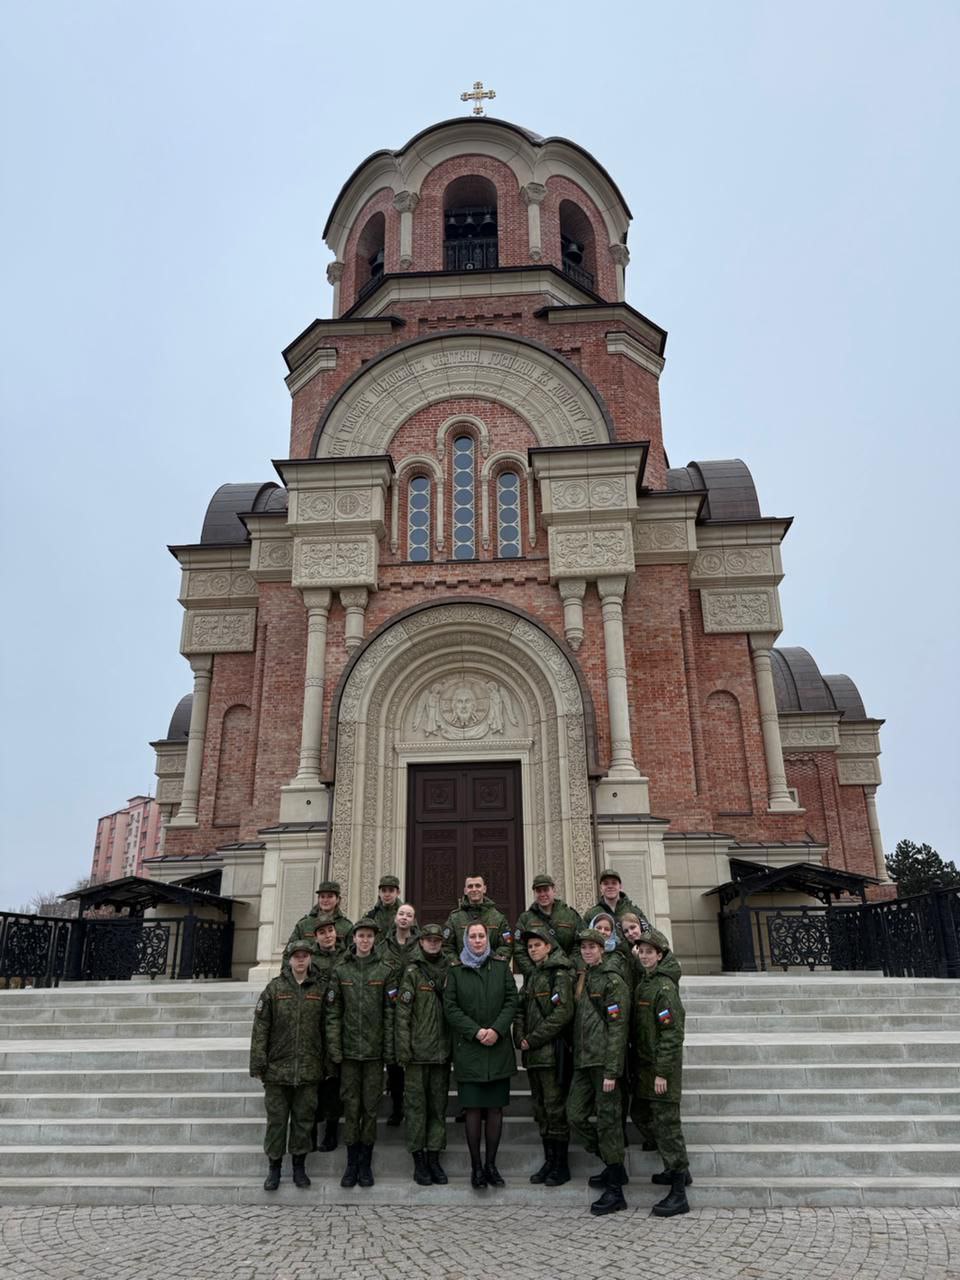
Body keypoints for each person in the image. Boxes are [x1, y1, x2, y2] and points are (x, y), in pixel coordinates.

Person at [443, 920, 518, 1189]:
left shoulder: (501, 967)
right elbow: (450, 1007)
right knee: (473, 1110)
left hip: (498, 1049)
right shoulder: (456, 971)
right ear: (466, 940)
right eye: (472, 936)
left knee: (495, 1110)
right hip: (469, 1049)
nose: (477, 940)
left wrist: (497, 1029)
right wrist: (475, 1031)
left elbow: (512, 1000)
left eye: (481, 936)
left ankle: (491, 1166)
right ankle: (476, 1167)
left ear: (488, 939)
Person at [325, 918, 399, 1189]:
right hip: (348, 1054)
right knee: (351, 1107)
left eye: (369, 936)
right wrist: (335, 1048)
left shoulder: (385, 970)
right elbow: (333, 1013)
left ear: (374, 939)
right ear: (354, 938)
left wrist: (388, 1050)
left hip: (373, 1054)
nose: (365, 940)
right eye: (361, 935)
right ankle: (351, 1162)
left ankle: (365, 1162)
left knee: (370, 1108)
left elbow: (390, 1014)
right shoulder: (341, 970)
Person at [249, 939, 325, 1191]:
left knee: (303, 1121)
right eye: (296, 956)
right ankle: (274, 1168)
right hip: (277, 1070)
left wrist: (327, 1063)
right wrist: (258, 1063)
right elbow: (261, 1028)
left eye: (305, 955)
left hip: (308, 1068)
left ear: (310, 959)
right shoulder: (274, 989)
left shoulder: (319, 989)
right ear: (289, 960)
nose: (300, 960)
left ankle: (299, 1168)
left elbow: (327, 1028)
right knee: (277, 1122)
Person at [567, 927, 631, 1216]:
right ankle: (610, 1162)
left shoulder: (611, 980)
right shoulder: (585, 976)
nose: (587, 951)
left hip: (604, 1063)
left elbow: (618, 1028)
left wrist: (612, 1070)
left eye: (592, 947)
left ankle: (616, 1189)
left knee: (608, 1123)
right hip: (583, 1061)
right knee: (574, 1115)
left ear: (602, 949)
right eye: (584, 947)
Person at [632, 930, 690, 1217]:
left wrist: (662, 1073)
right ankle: (676, 1170)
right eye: (641, 951)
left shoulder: (664, 988)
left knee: (667, 1127)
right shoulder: (646, 982)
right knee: (641, 1113)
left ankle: (679, 1191)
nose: (644, 956)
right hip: (645, 1066)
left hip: (660, 1069)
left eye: (649, 952)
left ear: (660, 955)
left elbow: (672, 1034)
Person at [513, 924, 575, 1187]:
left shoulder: (558, 974)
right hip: (534, 1057)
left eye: (537, 945)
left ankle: (561, 1164)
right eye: (529, 946)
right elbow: (520, 1009)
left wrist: (533, 1038)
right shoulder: (531, 976)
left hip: (551, 1055)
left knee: (555, 1109)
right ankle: (549, 1161)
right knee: (540, 1110)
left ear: (549, 947)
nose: (533, 950)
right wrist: (519, 1036)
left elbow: (562, 1013)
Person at [394, 922, 451, 1185]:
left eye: (437, 940)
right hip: (417, 1053)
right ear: (421, 942)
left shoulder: (450, 969)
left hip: (441, 1053)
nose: (433, 943)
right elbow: (402, 1013)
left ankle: (434, 1158)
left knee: (438, 1108)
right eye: (429, 940)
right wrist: (403, 1049)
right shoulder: (413, 971)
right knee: (416, 1109)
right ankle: (418, 1159)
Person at [378, 902, 420, 1126]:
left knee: (412, 1060)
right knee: (394, 1061)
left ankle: (413, 1107)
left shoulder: (420, 945)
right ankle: (397, 1106)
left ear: (413, 920)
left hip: (416, 1011)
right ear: (395, 918)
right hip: (390, 1011)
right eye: (401, 914)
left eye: (409, 915)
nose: (404, 917)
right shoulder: (383, 946)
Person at [309, 911, 346, 1153]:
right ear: (316, 936)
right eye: (322, 932)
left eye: (330, 931)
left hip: (339, 1025)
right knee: (313, 1081)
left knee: (333, 1080)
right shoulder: (308, 959)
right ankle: (310, 1131)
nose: (327, 935)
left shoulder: (346, 957)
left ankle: (331, 1131)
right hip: (314, 1026)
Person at [514, 874, 583, 980]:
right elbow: (519, 949)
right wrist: (532, 973)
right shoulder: (525, 918)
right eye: (538, 891)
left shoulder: (570, 915)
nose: (542, 894)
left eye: (546, 890)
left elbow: (580, 944)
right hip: (537, 978)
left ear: (553, 890)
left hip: (567, 976)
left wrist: (571, 968)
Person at [443, 874, 513, 961]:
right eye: (470, 886)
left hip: (491, 967)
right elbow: (446, 946)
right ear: (465, 891)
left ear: (484, 889)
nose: (474, 889)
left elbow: (507, 944)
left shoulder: (498, 918)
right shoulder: (455, 918)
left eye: (478, 886)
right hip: (462, 968)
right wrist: (457, 965)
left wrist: (495, 964)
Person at [289, 879, 354, 945]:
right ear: (318, 899)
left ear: (338, 899)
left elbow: (352, 950)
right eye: (322, 897)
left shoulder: (346, 926)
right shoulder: (304, 924)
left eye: (330, 896)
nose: (325, 900)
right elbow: (290, 948)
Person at [582, 868, 649, 928]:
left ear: (620, 887)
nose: (610, 886)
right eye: (606, 883)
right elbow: (582, 936)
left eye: (614, 883)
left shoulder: (633, 911)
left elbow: (650, 933)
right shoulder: (592, 914)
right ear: (601, 888)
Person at [587, 911, 632, 981]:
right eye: (598, 928)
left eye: (607, 929)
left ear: (612, 933)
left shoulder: (620, 956)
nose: (602, 932)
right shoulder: (584, 953)